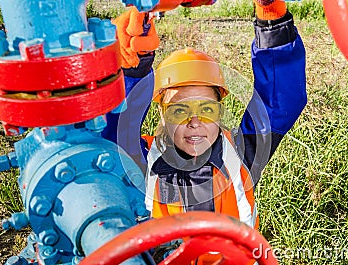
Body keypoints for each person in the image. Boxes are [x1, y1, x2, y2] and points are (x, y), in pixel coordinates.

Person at [103, 0, 306, 232]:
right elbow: (115, 125)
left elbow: (280, 101)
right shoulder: (143, 160)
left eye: (207, 110)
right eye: (179, 111)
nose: (195, 122)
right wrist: (131, 69)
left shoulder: (241, 154)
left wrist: (273, 19)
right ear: (162, 113)